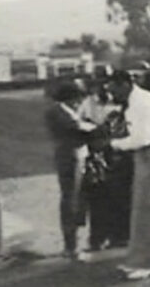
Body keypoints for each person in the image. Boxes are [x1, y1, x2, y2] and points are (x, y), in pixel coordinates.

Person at [106, 70, 150, 281]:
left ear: (124, 84)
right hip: (144, 156)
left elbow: (140, 138)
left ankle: (148, 263)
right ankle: (137, 259)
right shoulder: (136, 99)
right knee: (139, 209)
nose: (111, 93)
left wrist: (113, 144)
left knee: (146, 209)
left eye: (113, 88)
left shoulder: (139, 102)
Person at [44, 81, 96, 260]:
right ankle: (70, 246)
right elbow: (79, 128)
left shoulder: (64, 110)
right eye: (79, 98)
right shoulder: (59, 111)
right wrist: (94, 127)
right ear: (72, 97)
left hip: (75, 155)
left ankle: (73, 244)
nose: (80, 102)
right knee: (71, 199)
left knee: (76, 199)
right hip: (70, 156)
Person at [80, 81, 133, 251]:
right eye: (97, 84)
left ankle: (120, 236)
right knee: (97, 197)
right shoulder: (87, 104)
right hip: (97, 155)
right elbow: (80, 124)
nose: (102, 89)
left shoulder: (120, 102)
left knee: (121, 196)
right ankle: (98, 238)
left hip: (119, 156)